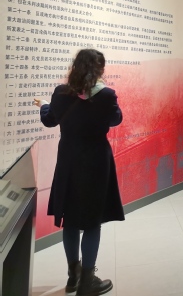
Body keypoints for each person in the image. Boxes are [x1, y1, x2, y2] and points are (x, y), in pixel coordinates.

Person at [34, 49, 123, 296]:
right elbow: (116, 119)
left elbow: (50, 120)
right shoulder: (106, 95)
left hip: (68, 163)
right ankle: (87, 281)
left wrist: (44, 105)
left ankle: (73, 277)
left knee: (70, 220)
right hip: (96, 163)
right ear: (99, 69)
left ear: (75, 67)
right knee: (93, 221)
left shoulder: (61, 93)